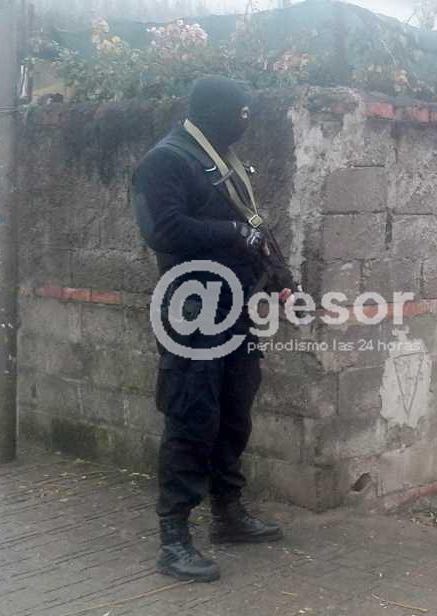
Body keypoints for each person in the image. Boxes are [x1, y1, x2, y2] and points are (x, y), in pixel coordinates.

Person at [131, 75, 293, 583]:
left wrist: (281, 280)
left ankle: (228, 514)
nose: (246, 122)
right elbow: (162, 229)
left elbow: (254, 227)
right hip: (193, 310)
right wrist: (232, 233)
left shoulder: (223, 160)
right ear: (215, 112)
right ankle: (173, 539)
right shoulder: (166, 160)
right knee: (191, 416)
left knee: (234, 413)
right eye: (241, 113)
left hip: (235, 306)